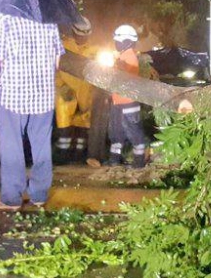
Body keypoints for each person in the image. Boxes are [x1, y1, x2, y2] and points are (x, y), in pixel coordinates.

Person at [0, 12, 65, 210]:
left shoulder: (2, 19)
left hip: (13, 96)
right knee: (42, 146)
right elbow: (57, 60)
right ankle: (40, 195)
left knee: (11, 147)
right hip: (44, 96)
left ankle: (11, 198)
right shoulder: (48, 19)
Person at [55, 17, 97, 165]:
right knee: (64, 123)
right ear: (74, 32)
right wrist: (61, 85)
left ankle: (80, 154)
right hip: (66, 90)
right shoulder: (63, 46)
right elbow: (54, 70)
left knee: (84, 122)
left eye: (86, 34)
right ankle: (63, 154)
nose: (83, 37)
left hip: (86, 90)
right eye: (80, 33)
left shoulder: (95, 49)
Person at [107, 24, 148, 168]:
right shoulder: (123, 56)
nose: (116, 44)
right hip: (119, 102)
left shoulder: (129, 56)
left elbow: (126, 76)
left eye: (117, 41)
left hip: (128, 103)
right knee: (116, 133)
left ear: (125, 41)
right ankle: (114, 160)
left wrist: (116, 65)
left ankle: (139, 161)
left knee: (133, 132)